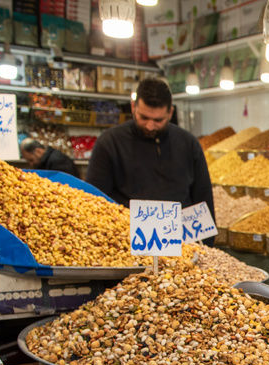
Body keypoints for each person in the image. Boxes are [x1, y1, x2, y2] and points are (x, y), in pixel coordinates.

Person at [86, 77, 214, 243]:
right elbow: (95, 200)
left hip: (184, 245)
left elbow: (203, 197)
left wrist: (208, 247)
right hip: (127, 244)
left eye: (158, 120)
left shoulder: (188, 144)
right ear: (133, 107)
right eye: (144, 117)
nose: (150, 126)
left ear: (170, 113)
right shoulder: (109, 143)